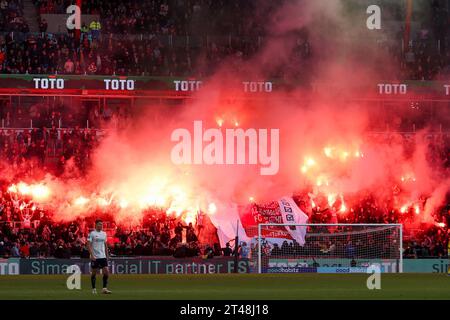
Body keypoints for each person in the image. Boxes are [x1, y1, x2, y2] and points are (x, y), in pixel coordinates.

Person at [87, 219, 111, 294]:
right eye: (99, 224)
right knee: (94, 273)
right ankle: (93, 288)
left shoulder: (104, 234)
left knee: (106, 272)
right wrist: (91, 254)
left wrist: (107, 255)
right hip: (95, 256)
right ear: (96, 225)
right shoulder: (92, 233)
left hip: (103, 256)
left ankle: (104, 288)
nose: (101, 226)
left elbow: (105, 245)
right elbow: (88, 245)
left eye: (102, 224)